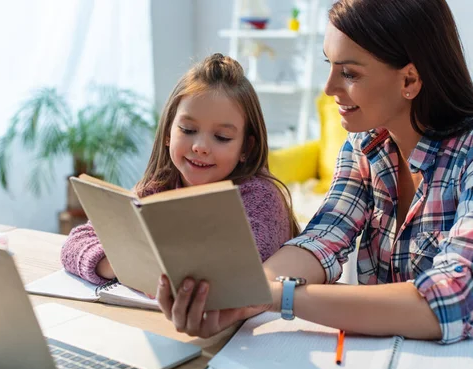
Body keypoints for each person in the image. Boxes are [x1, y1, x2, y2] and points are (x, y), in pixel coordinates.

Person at [157, 0, 473, 344]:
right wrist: (241, 293)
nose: (329, 86)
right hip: (407, 356)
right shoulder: (366, 147)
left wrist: (277, 296)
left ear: (410, 79)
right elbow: (322, 239)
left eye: (349, 73)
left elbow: (450, 302)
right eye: (329, 65)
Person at [61, 53, 299, 287]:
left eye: (221, 137)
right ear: (168, 133)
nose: (200, 147)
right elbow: (74, 246)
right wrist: (118, 264)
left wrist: (142, 261)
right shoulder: (155, 190)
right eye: (187, 130)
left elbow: (235, 275)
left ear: (246, 147)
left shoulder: (261, 198)